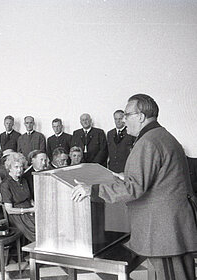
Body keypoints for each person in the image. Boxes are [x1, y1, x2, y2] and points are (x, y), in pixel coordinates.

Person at [72, 94, 197, 280]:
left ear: (140, 116)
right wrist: (124, 176)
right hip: (173, 224)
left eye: (126, 114)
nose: (123, 119)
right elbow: (161, 178)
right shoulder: (163, 136)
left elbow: (134, 188)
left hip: (163, 229)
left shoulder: (147, 142)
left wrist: (93, 190)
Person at [0, 152, 35, 242]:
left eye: (21, 167)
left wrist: (34, 207)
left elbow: (29, 198)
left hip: (29, 210)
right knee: (37, 231)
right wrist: (29, 210)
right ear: (9, 168)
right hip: (16, 215)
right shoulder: (5, 184)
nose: (19, 170)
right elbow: (9, 210)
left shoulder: (23, 180)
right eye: (16, 167)